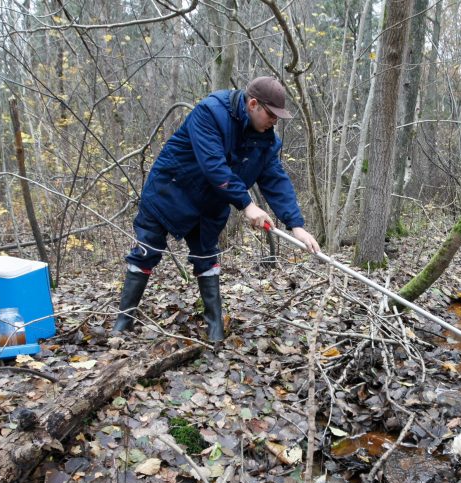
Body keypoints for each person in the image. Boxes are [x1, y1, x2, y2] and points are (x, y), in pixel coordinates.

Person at [113, 76, 320, 341]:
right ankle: (122, 324)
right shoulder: (211, 112)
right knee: (147, 251)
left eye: (278, 118)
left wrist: (296, 225)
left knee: (206, 258)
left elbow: (275, 179)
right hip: (170, 191)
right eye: (271, 115)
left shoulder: (266, 141)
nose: (274, 122)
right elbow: (213, 165)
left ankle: (214, 333)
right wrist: (247, 204)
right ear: (253, 104)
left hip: (211, 202)